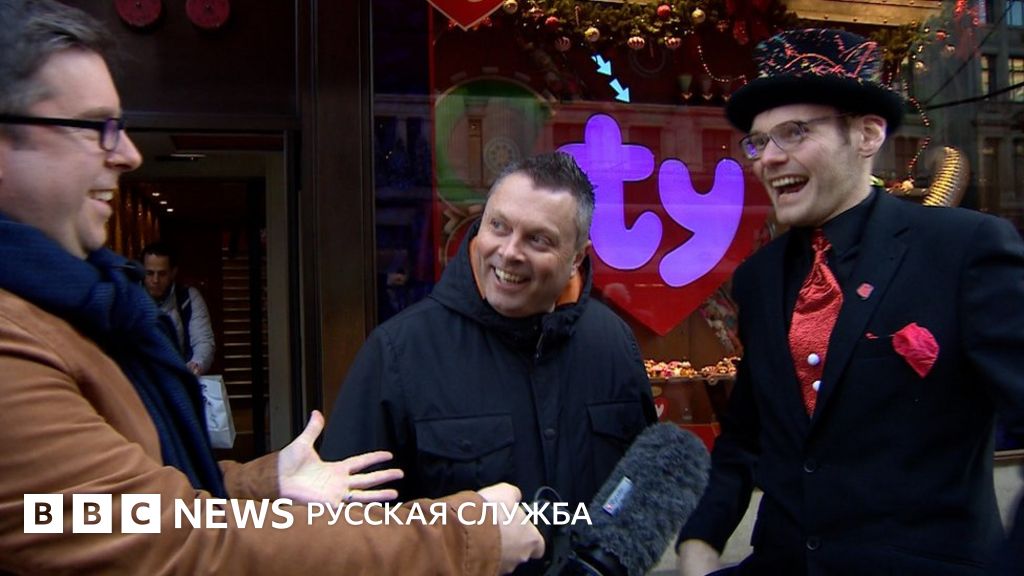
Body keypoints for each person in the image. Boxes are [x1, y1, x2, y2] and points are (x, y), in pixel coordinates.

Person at [0, 1, 543, 574]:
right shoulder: (14, 348)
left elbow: (129, 510)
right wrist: (464, 538)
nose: (128, 154)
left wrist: (260, 483)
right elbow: (176, 543)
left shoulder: (79, 309)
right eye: (95, 128)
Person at [675, 29, 1024, 575]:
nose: (769, 159)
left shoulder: (963, 249)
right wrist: (699, 541)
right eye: (758, 142)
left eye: (793, 133)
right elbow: (746, 438)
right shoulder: (758, 279)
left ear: (866, 134)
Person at [322, 152, 656, 507]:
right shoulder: (398, 353)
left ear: (576, 258)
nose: (509, 252)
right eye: (499, 226)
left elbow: (644, 494)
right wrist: (466, 533)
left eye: (538, 239)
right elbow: (347, 526)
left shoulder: (613, 345)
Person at [142, 241, 216, 375]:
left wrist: (196, 365)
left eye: (162, 274)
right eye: (150, 273)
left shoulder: (187, 298)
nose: (155, 280)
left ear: (173, 272)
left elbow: (203, 341)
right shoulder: (128, 300)